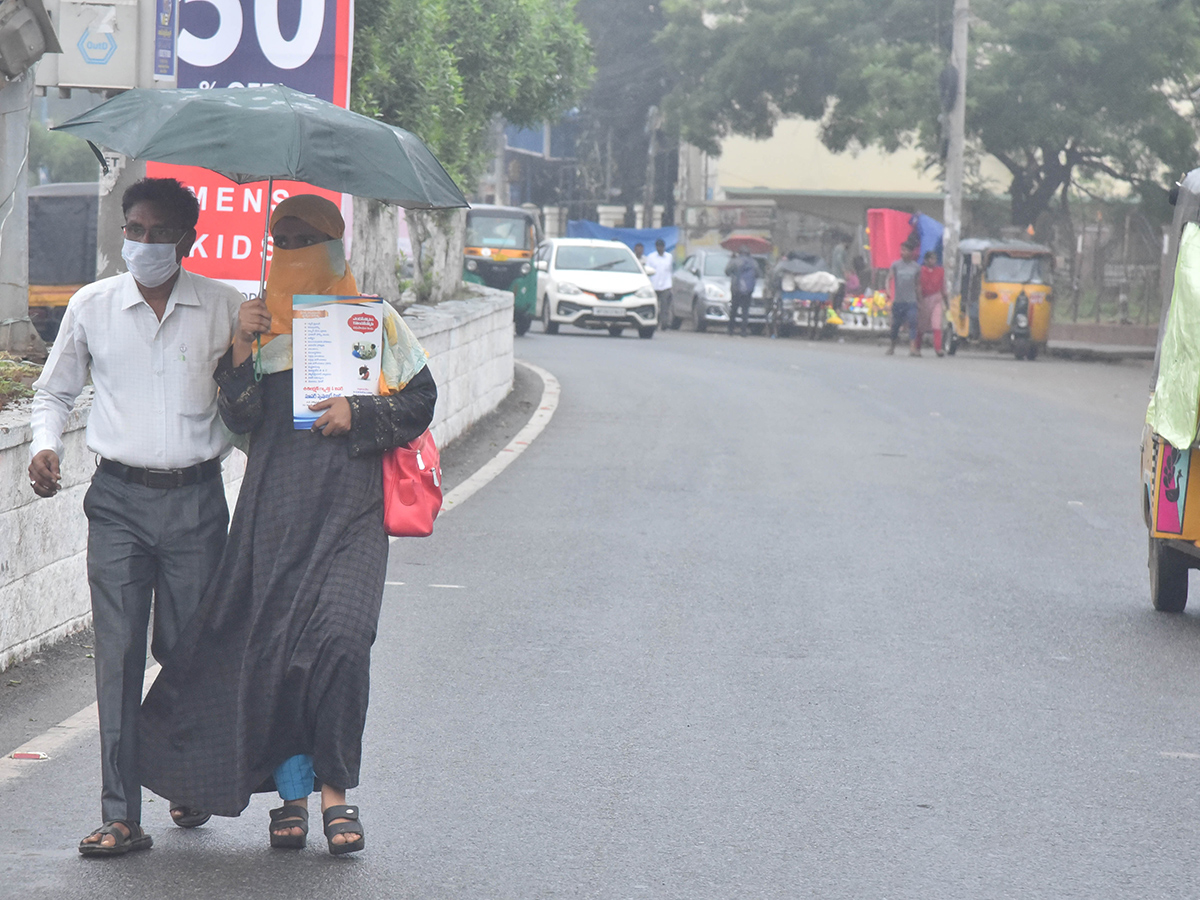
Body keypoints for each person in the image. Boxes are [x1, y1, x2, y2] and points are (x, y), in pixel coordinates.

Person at [137, 194, 437, 857]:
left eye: (309, 236)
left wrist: (357, 415)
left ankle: (337, 790)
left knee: (342, 641)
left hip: (352, 511)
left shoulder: (375, 321)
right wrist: (241, 346)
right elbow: (240, 419)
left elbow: (422, 398)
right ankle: (293, 798)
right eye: (285, 237)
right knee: (276, 651)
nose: (295, 247)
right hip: (274, 511)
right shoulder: (260, 323)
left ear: (336, 245)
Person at [27, 177, 244, 856]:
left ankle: (184, 773)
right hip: (117, 501)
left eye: (158, 233)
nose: (143, 244)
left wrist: (251, 352)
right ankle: (120, 814)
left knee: (188, 653)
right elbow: (53, 393)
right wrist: (41, 447)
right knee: (117, 658)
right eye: (133, 230)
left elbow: (248, 412)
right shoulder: (92, 306)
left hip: (198, 501)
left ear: (190, 239)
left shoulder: (227, 307)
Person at [887, 241, 922, 356]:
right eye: (901, 250)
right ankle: (892, 346)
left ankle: (912, 347)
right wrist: (888, 291)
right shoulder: (896, 265)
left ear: (912, 252)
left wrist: (920, 300)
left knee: (913, 323)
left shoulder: (916, 267)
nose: (902, 252)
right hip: (898, 301)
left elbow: (918, 285)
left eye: (905, 250)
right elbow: (889, 279)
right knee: (895, 325)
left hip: (911, 301)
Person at [918, 250, 947, 357]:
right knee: (921, 325)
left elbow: (943, 287)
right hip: (924, 299)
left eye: (934, 259)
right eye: (930, 259)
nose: (932, 261)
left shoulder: (940, 271)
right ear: (925, 260)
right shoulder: (920, 270)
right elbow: (918, 286)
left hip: (936, 298)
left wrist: (946, 302)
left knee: (936, 324)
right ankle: (917, 347)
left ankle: (938, 348)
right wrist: (919, 300)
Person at [725, 248, 757, 336]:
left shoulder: (735, 261)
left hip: (736, 288)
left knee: (734, 309)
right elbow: (758, 274)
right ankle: (743, 331)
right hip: (748, 289)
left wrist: (732, 260)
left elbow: (727, 272)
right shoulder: (753, 262)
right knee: (745, 310)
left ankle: (731, 329)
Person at [645, 238, 674, 328]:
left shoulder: (669, 257)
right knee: (655, 305)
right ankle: (654, 323)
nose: (660, 248)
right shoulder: (651, 257)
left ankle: (664, 324)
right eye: (658, 247)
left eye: (661, 247)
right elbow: (648, 270)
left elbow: (670, 270)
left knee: (665, 306)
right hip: (654, 285)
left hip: (666, 285)